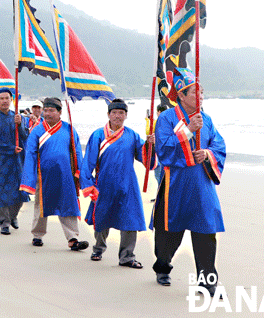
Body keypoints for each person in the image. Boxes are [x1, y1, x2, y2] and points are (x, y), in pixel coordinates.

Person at [150, 67, 226, 296]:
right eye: (195, 92)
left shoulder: (207, 119)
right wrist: (188, 131)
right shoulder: (166, 118)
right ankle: (162, 267)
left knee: (206, 232)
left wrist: (208, 155)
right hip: (175, 184)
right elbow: (163, 150)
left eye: (202, 93)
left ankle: (208, 280)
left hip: (202, 184)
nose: (200, 97)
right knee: (168, 234)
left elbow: (218, 145)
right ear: (181, 95)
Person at [80, 98, 156, 266]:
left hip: (128, 184)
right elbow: (88, 162)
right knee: (102, 217)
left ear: (126, 116)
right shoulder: (98, 135)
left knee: (130, 219)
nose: (117, 116)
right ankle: (98, 249)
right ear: (108, 114)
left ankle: (127, 256)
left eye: (121, 113)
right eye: (114, 113)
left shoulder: (132, 135)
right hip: (104, 183)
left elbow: (146, 158)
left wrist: (151, 146)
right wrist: (88, 183)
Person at [20, 97, 88, 251]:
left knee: (68, 205)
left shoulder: (68, 129)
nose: (48, 113)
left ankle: (73, 238)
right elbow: (30, 154)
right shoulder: (37, 130)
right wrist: (29, 176)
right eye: (46, 110)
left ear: (60, 112)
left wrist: (79, 171)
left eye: (52, 110)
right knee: (41, 205)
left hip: (66, 175)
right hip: (43, 175)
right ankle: (37, 235)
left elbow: (77, 151)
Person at [0, 88, 30, 235]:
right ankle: (4, 222)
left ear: (11, 100)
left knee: (20, 190)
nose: (5, 101)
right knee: (2, 192)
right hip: (2, 161)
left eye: (7, 98)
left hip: (18, 161)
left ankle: (13, 216)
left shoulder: (18, 117)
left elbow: (25, 137)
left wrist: (20, 125)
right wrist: (10, 148)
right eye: (1, 98)